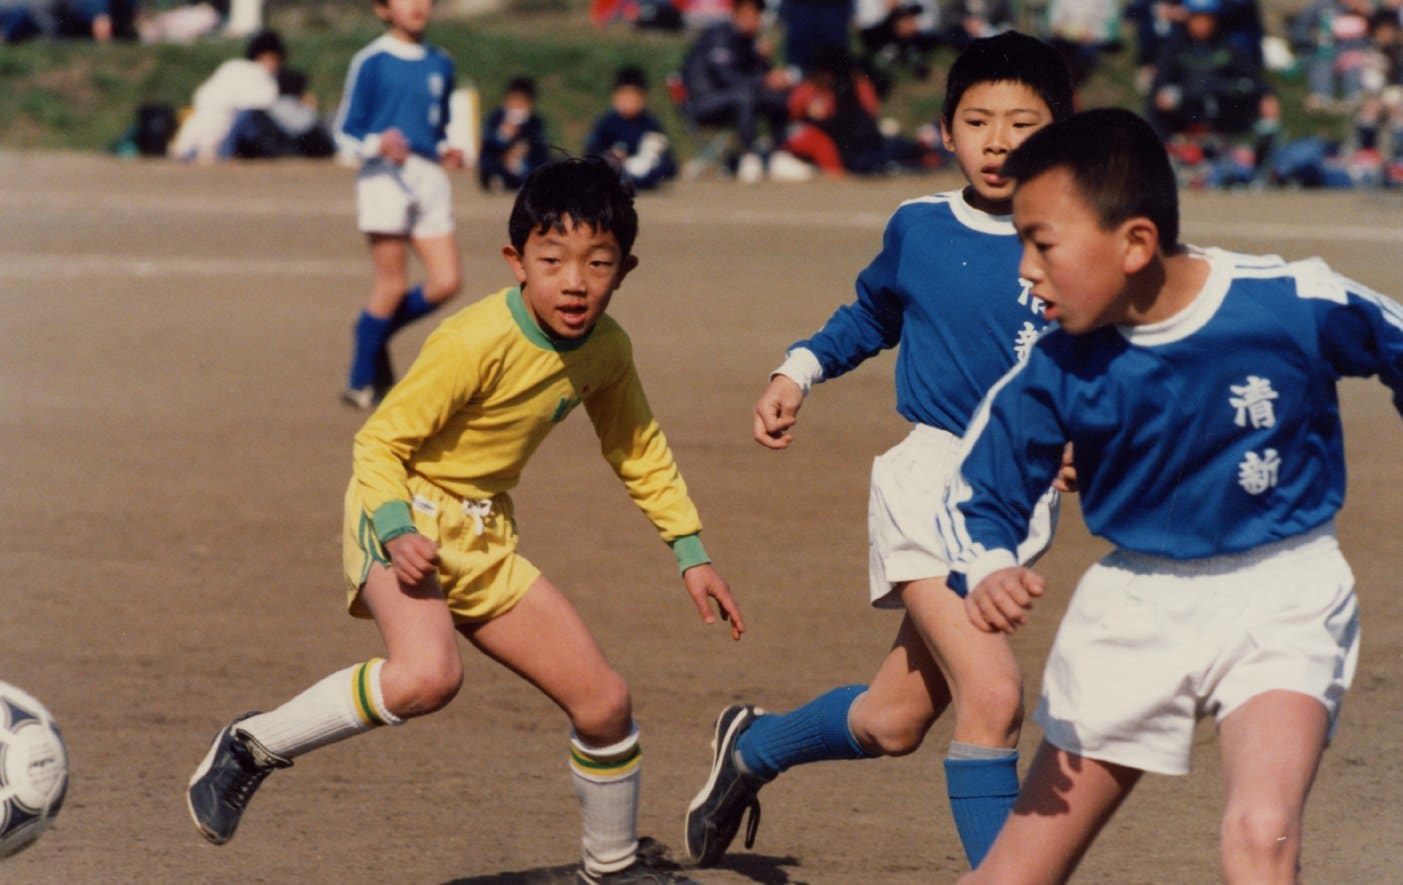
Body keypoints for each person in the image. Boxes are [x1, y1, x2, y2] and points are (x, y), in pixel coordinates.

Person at [185, 156, 746, 885]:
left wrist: (689, 548)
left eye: (596, 263)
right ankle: (252, 743)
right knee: (426, 675)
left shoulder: (608, 350)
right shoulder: (471, 339)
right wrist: (394, 526)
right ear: (516, 260)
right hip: (399, 504)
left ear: (625, 269)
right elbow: (379, 442)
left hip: (482, 532)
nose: (573, 281)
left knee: (604, 702)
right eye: (551, 260)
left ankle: (609, 866)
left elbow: (636, 447)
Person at [939, 106, 1400, 883]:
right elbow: (981, 487)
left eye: (1040, 242)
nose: (1024, 268)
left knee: (1262, 829)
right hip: (1135, 607)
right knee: (1013, 876)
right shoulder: (1056, 366)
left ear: (1135, 243)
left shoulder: (1290, 302)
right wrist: (987, 565)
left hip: (1284, 589)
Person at [682, 31, 1074, 871]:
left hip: (1014, 500)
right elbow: (870, 314)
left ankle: (752, 747)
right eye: (977, 121)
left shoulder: (1082, 237)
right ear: (945, 131)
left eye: (1021, 122)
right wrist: (798, 369)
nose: (998, 139)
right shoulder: (921, 227)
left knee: (893, 719)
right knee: (995, 695)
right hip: (929, 483)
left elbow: (1104, 363)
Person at [333, 0, 464, 410]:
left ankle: (373, 330)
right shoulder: (371, 60)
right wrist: (377, 144)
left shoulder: (442, 62)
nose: (417, 5)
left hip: (428, 178)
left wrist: (447, 149)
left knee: (447, 281)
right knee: (391, 283)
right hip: (383, 177)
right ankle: (360, 384)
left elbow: (436, 125)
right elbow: (344, 132)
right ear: (382, 9)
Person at [680, 0, 798, 183]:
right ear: (736, 13)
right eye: (748, 14)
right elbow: (726, 77)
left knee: (777, 97)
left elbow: (756, 79)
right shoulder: (718, 36)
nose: (753, 20)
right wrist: (764, 79)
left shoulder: (750, 42)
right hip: (704, 101)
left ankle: (779, 156)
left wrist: (763, 61)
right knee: (745, 96)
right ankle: (749, 157)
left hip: (737, 98)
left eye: (757, 15)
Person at [781, 45, 939, 176]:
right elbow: (796, 113)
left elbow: (866, 116)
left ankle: (927, 154)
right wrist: (812, 116)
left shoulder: (853, 86)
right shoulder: (811, 89)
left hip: (863, 146)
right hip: (853, 155)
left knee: (897, 149)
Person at [167, 28, 286, 163]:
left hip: (207, 114)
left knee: (193, 142)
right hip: (222, 122)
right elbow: (261, 105)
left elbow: (203, 93)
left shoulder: (231, 66)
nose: (275, 64)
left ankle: (192, 152)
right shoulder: (264, 79)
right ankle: (220, 152)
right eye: (272, 59)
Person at [584, 66, 678, 192]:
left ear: (643, 98)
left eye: (634, 95)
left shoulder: (651, 124)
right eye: (624, 94)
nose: (629, 100)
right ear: (615, 96)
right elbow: (590, 155)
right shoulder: (605, 123)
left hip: (644, 177)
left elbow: (670, 165)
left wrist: (650, 161)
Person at [478, 75, 552, 192]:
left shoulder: (534, 122)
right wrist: (502, 136)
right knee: (489, 163)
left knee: (549, 164)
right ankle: (497, 179)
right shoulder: (496, 118)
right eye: (514, 102)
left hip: (525, 164)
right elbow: (487, 147)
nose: (517, 107)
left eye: (522, 103)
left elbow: (541, 149)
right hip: (500, 163)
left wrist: (525, 148)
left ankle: (531, 182)